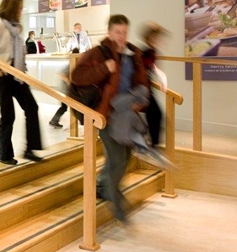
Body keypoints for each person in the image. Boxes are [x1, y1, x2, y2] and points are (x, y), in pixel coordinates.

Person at [71, 14, 149, 222]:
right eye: (117, 32)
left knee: (126, 155)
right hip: (105, 114)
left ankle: (104, 186)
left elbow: (142, 82)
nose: (121, 36)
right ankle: (115, 199)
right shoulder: (99, 52)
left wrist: (139, 102)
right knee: (117, 157)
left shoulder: (133, 54)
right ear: (109, 32)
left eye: (124, 32)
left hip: (126, 113)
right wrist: (104, 68)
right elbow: (77, 76)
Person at [0, 0, 44, 165]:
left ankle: (30, 148)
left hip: (18, 75)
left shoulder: (16, 28)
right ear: (11, 8)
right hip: (4, 76)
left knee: (32, 107)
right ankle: (4, 154)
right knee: (8, 115)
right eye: (19, 8)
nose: (21, 11)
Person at [139, 22, 169, 146]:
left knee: (155, 113)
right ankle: (153, 143)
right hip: (141, 88)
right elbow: (146, 68)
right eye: (155, 37)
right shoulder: (145, 52)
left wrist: (162, 80)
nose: (157, 40)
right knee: (155, 113)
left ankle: (153, 142)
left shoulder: (151, 51)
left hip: (146, 87)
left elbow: (153, 69)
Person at [48, 48, 80, 129]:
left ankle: (55, 121)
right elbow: (62, 74)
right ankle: (54, 121)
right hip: (65, 90)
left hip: (65, 90)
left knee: (65, 107)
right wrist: (68, 82)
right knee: (65, 107)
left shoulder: (72, 64)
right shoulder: (70, 65)